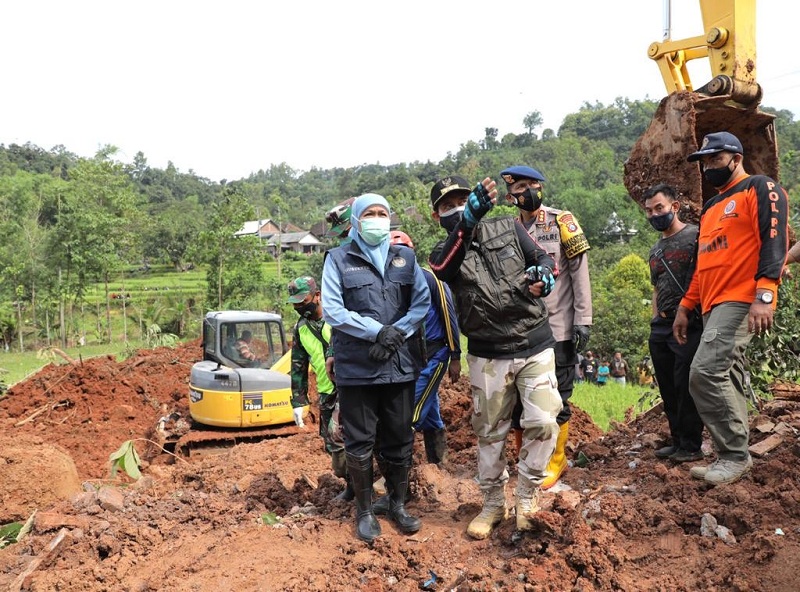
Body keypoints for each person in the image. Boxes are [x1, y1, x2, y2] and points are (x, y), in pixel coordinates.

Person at [428, 174, 562, 540]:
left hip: (534, 343)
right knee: (489, 432)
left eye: (461, 200)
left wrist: (544, 276)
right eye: (447, 205)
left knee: (544, 422)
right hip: (488, 354)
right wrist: (466, 224)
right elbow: (443, 271)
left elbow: (543, 258)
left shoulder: (508, 226)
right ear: (436, 216)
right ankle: (492, 503)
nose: (455, 207)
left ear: (474, 199)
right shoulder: (442, 252)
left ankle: (527, 497)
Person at [674, 131, 789, 485]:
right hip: (711, 302)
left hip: (741, 298)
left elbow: (775, 240)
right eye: (704, 161)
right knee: (729, 376)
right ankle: (735, 459)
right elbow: (702, 264)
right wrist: (686, 305)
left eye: (715, 159)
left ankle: (733, 455)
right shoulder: (710, 208)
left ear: (736, 158)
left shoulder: (759, 188)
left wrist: (765, 293)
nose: (708, 167)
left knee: (704, 372)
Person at [321, 193, 431, 543]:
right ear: (355, 221)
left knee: (400, 436)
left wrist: (397, 333)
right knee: (360, 440)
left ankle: (397, 504)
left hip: (398, 365)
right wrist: (377, 332)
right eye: (369, 213)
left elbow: (421, 303)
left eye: (383, 213)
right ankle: (365, 511)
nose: (377, 219)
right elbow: (335, 311)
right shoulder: (338, 259)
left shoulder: (406, 258)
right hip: (358, 367)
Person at [500, 165, 592, 490]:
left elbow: (579, 273)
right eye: (520, 187)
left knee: (558, 400)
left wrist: (583, 319)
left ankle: (556, 461)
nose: (527, 191)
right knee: (521, 402)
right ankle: (528, 459)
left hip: (559, 329)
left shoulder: (560, 222)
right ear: (511, 195)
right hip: (521, 331)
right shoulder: (507, 231)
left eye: (531, 184)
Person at [643, 183, 705, 463]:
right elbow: (656, 288)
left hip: (689, 321)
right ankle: (677, 440)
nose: (654, 214)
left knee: (684, 384)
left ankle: (691, 445)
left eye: (659, 208)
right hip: (662, 325)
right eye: (649, 211)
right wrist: (656, 318)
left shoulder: (694, 236)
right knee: (667, 385)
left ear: (674, 207)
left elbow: (703, 276)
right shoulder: (654, 250)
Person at [287, 276, 351, 501]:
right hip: (326, 393)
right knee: (333, 445)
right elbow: (298, 364)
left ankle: (362, 487)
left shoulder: (337, 317)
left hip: (349, 387)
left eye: (302, 301)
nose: (298, 307)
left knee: (344, 437)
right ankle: (352, 485)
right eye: (294, 303)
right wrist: (298, 400)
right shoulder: (301, 329)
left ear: (317, 296)